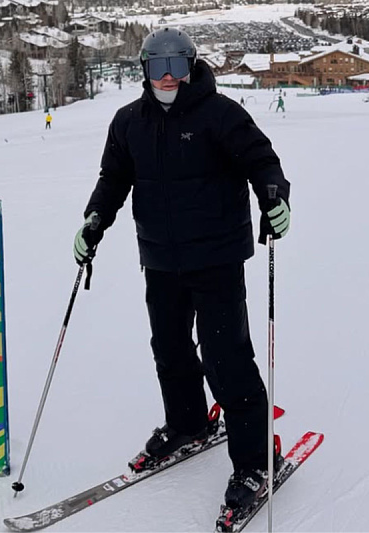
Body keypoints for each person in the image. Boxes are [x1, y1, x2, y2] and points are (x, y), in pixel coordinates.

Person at [72, 27, 291, 514]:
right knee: (169, 349)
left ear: (192, 67)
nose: (167, 78)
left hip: (215, 257)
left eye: (176, 67)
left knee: (225, 357)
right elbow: (113, 180)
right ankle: (189, 423)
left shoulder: (221, 114)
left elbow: (262, 161)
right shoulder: (129, 122)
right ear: (144, 72)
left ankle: (256, 459)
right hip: (161, 258)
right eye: (157, 68)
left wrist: (274, 197)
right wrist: (93, 222)